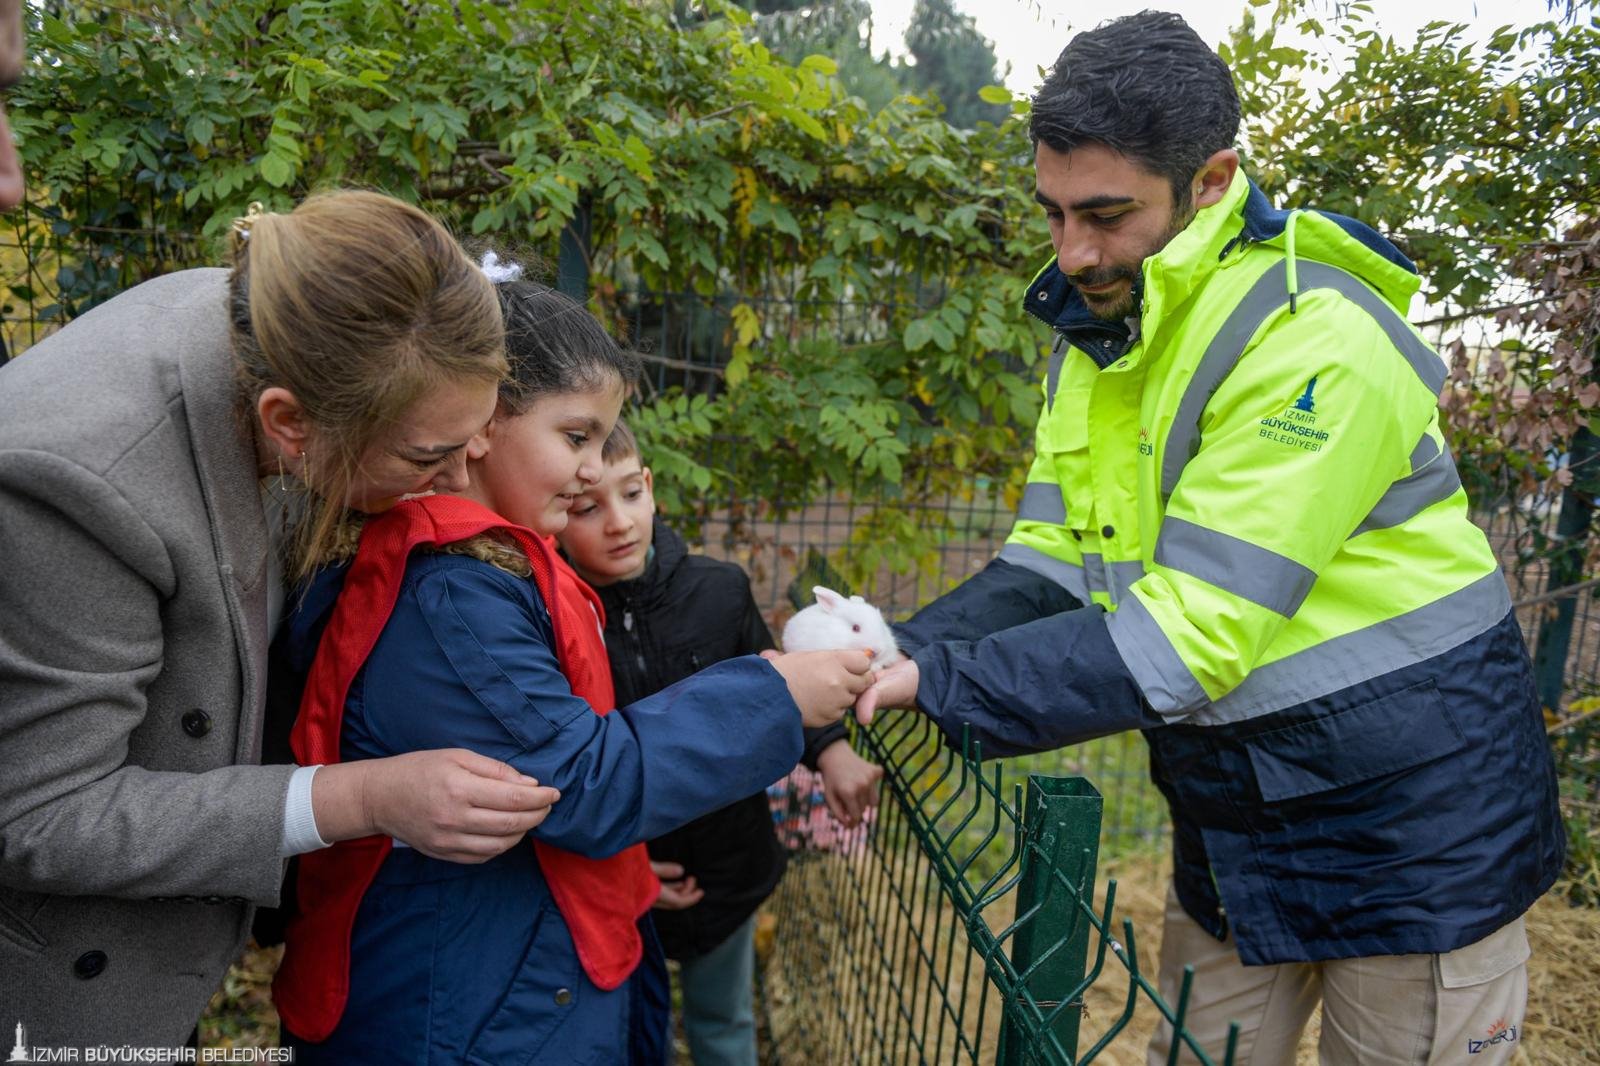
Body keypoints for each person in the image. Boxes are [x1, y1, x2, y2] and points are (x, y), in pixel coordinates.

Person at [857, 12, 1565, 1065]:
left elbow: (1193, 633)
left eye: (1106, 215)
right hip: (1239, 815)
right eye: (1052, 213)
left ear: (1212, 179)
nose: (1072, 252)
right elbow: (1051, 567)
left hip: (1417, 828)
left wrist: (939, 688)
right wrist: (890, 649)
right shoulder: (1104, 341)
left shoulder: (1313, 335)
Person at [0, 193, 565, 1047]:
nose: (461, 476)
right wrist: (364, 795)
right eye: (427, 455)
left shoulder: (284, 319)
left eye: (473, 437)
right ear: (289, 422)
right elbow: (42, 813)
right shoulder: (82, 488)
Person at [271, 275, 872, 1063]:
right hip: (472, 1009)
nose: (593, 467)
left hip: (518, 978)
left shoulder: (497, 567)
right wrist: (774, 696)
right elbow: (577, 782)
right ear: (483, 423)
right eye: (577, 436)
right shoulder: (451, 597)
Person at [556, 417, 884, 1066]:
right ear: (555, 513)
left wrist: (833, 750)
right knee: (624, 1029)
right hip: (615, 879)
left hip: (727, 870)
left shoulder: (719, 591)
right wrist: (621, 870)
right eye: (587, 508)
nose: (619, 522)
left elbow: (779, 687)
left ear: (651, 487)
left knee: (723, 1021)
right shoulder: (555, 614)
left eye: (631, 494)